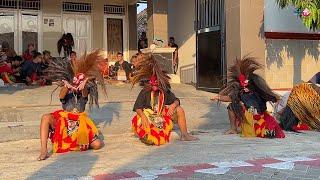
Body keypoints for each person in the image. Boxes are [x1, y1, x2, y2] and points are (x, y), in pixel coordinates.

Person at [38, 50, 106, 161]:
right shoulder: (67, 90)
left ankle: (78, 142)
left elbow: (84, 93)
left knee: (98, 144)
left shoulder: (84, 90)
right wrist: (67, 85)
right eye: (75, 79)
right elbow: (61, 96)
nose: (77, 81)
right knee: (45, 117)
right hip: (64, 122)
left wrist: (85, 81)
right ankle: (43, 150)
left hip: (80, 123)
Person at [131, 53, 198, 146]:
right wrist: (143, 117)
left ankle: (185, 135)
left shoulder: (163, 90)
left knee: (179, 109)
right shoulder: (145, 91)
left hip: (162, 115)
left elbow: (176, 100)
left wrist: (173, 106)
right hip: (149, 116)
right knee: (151, 138)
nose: (155, 87)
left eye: (157, 84)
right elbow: (138, 107)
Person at [211, 57, 285, 138]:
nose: (245, 88)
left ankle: (247, 128)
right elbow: (230, 98)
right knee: (232, 106)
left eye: (246, 86)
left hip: (259, 117)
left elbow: (270, 97)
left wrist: (275, 98)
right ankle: (233, 128)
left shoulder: (259, 92)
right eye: (242, 86)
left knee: (241, 107)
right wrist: (218, 97)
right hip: (249, 115)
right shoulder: (241, 93)